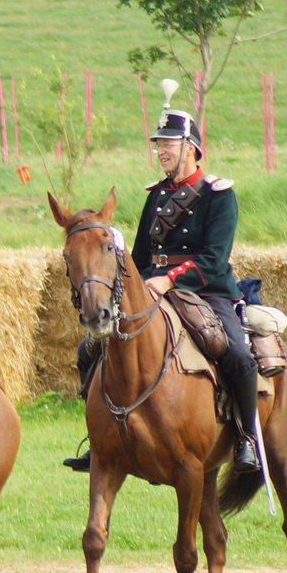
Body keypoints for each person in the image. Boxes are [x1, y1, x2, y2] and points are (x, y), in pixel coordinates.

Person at [64, 106, 261, 475]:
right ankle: (99, 440)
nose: (161, 151)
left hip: (207, 291)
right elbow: (137, 257)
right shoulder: (156, 196)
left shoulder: (218, 195)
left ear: (191, 147)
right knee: (88, 350)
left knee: (236, 355)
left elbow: (215, 259)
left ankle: (245, 438)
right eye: (158, 145)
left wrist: (171, 279)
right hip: (152, 290)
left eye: (168, 144)